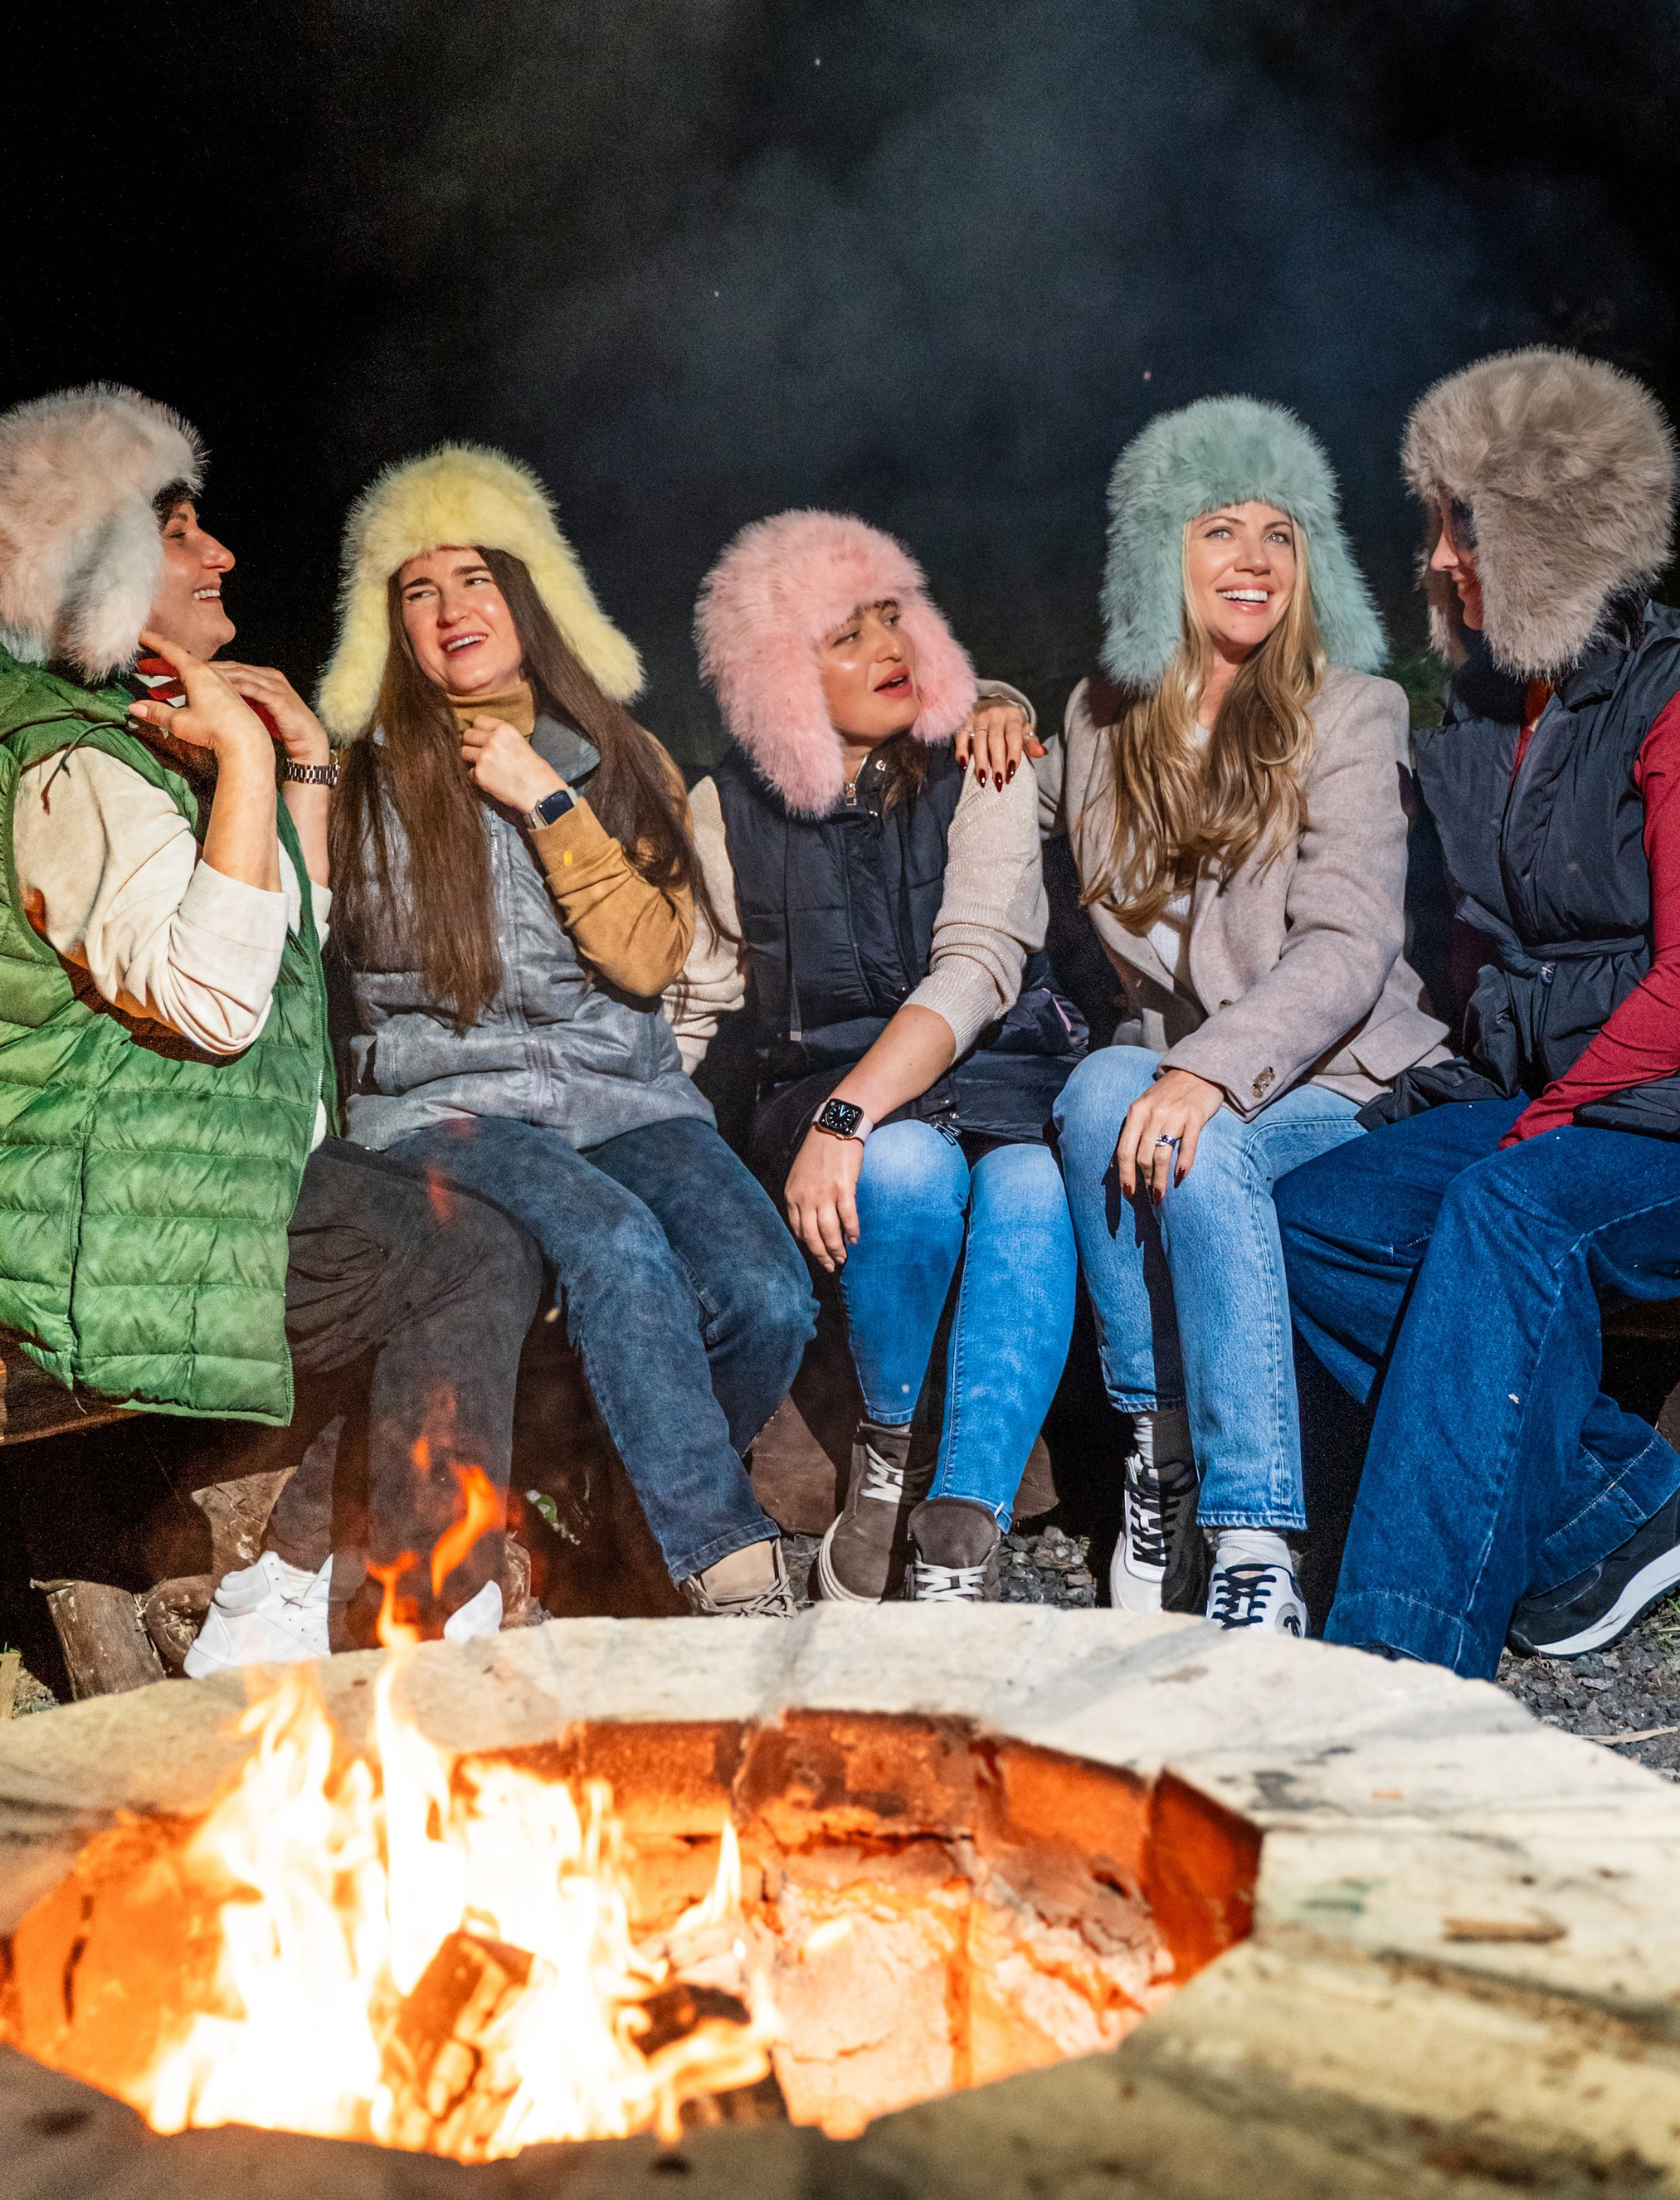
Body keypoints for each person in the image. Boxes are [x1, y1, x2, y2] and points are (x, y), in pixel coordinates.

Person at [0, 385, 544, 1671]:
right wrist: (244, 769)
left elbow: (278, 955)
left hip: (156, 1174)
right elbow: (213, 1006)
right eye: (182, 531)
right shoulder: (64, 759)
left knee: (461, 1235)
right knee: (466, 1260)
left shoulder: (128, 733)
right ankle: (421, 1630)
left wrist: (293, 763)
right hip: (80, 1218)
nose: (221, 555)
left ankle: (289, 1598)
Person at [1273, 348, 1680, 1677]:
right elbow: (1490, 947)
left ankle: (1403, 1660)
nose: (1434, 558)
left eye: (1460, 525)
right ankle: (1616, 1505)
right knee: (1318, 1220)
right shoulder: (1489, 704)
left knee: (1507, 1213)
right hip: (1584, 1086)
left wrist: (1539, 1123)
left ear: (1545, 535)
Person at [318, 445, 814, 1618]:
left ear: (527, 594)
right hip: (449, 1103)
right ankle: (733, 1572)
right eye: (418, 591)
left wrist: (546, 798)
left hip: (622, 1094)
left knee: (765, 1292)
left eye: (476, 579)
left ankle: (625, 1495)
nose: (451, 612)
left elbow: (649, 956)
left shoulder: (619, 756)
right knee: (618, 1246)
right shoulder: (365, 777)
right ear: (388, 624)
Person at [1039, 399, 1449, 1633]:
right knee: (1095, 1092)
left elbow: (1349, 943)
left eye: (1281, 532)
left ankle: (1254, 1536)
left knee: (1191, 1134)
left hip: (1335, 1078)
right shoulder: (1096, 721)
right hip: (1170, 1069)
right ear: (1156, 553)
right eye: (1221, 529)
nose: (1255, 559)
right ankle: (1159, 1446)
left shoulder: (1351, 709)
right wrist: (991, 697)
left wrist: (1211, 1075)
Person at [679, 509, 1080, 1604]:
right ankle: (887, 1456)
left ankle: (967, 1524)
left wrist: (846, 1118)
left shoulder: (982, 757)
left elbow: (980, 968)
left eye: (893, 617)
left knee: (1032, 1183)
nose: (888, 650)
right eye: (844, 636)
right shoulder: (724, 807)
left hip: (994, 1066)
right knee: (907, 1167)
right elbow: (698, 996)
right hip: (814, 1079)